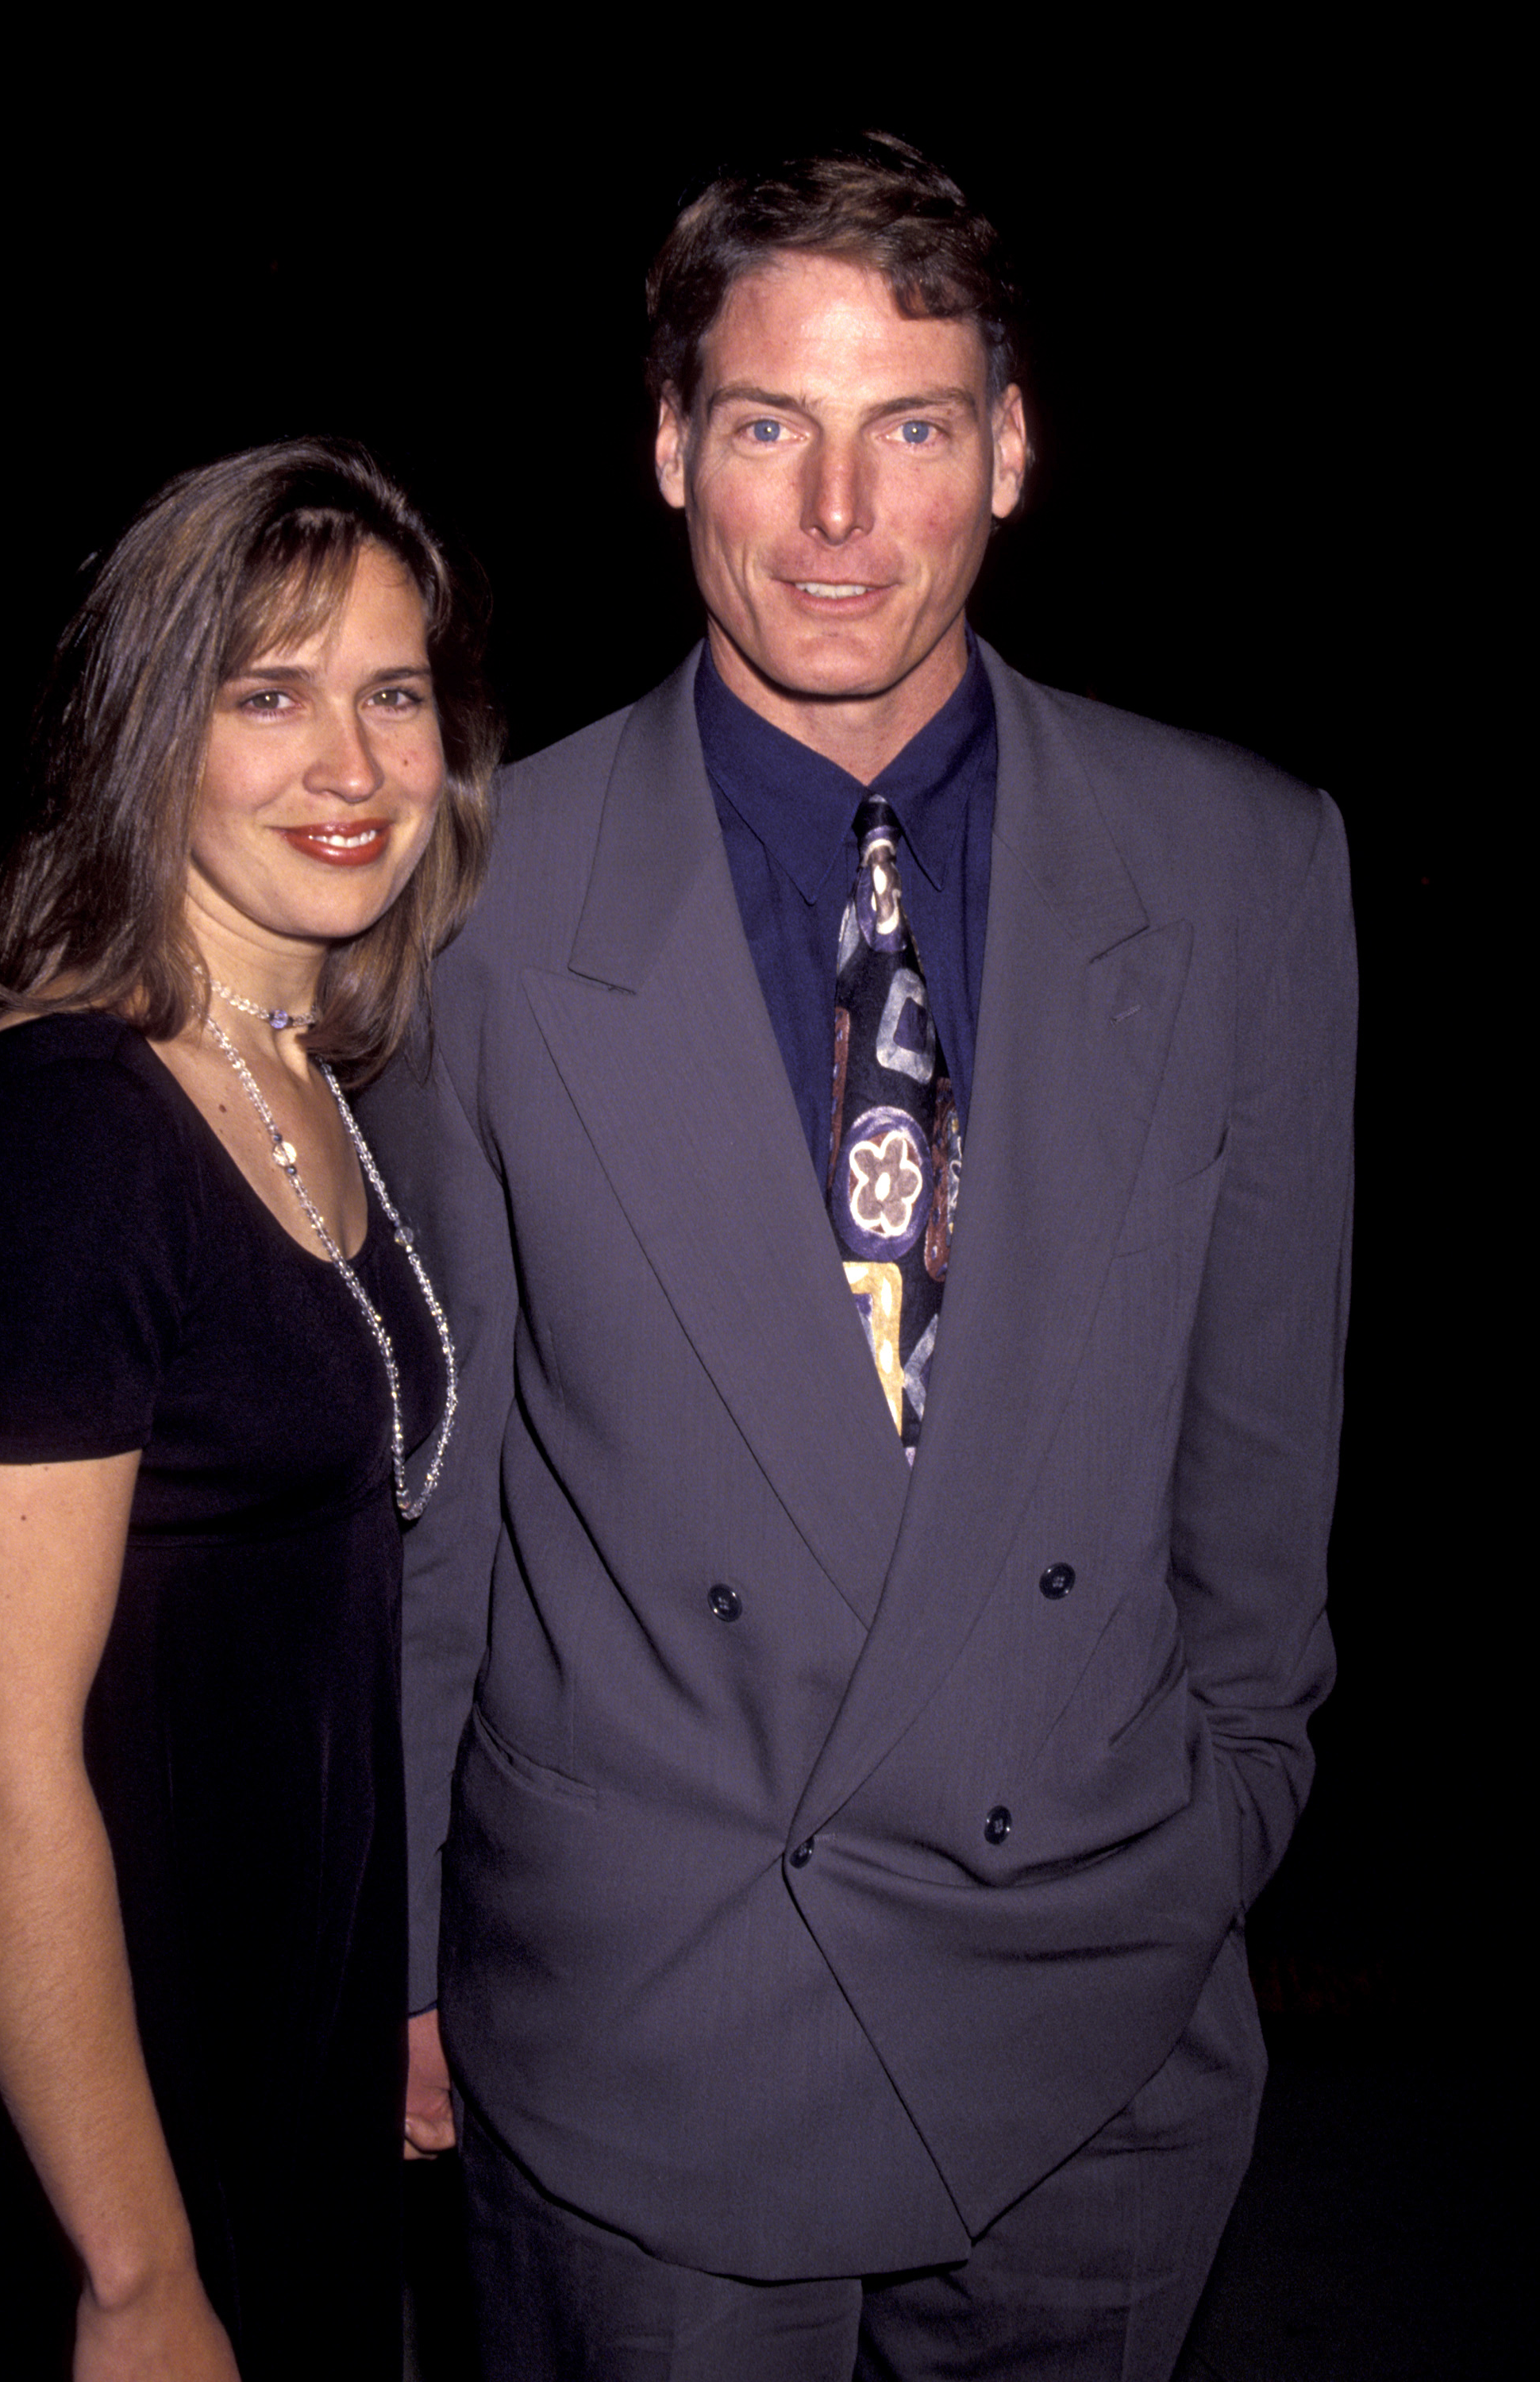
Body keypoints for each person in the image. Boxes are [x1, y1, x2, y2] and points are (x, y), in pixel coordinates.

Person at [367, 136, 1356, 2380]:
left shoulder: (1237, 866)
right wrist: (412, 1947)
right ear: (663, 451)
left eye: (905, 426)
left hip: (1089, 2016)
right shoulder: (479, 902)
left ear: (1005, 451)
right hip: (652, 2031)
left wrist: (1209, 1836)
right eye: (764, 427)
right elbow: (443, 1504)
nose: (834, 519)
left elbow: (1262, 1453)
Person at [0, 437, 497, 2380]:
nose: (352, 765)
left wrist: (384, 1992)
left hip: (290, 2043)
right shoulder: (71, 1133)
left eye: (392, 693)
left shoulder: (305, 1067)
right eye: (271, 693)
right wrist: (137, 2271)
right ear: (157, 730)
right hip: (129, 2107)